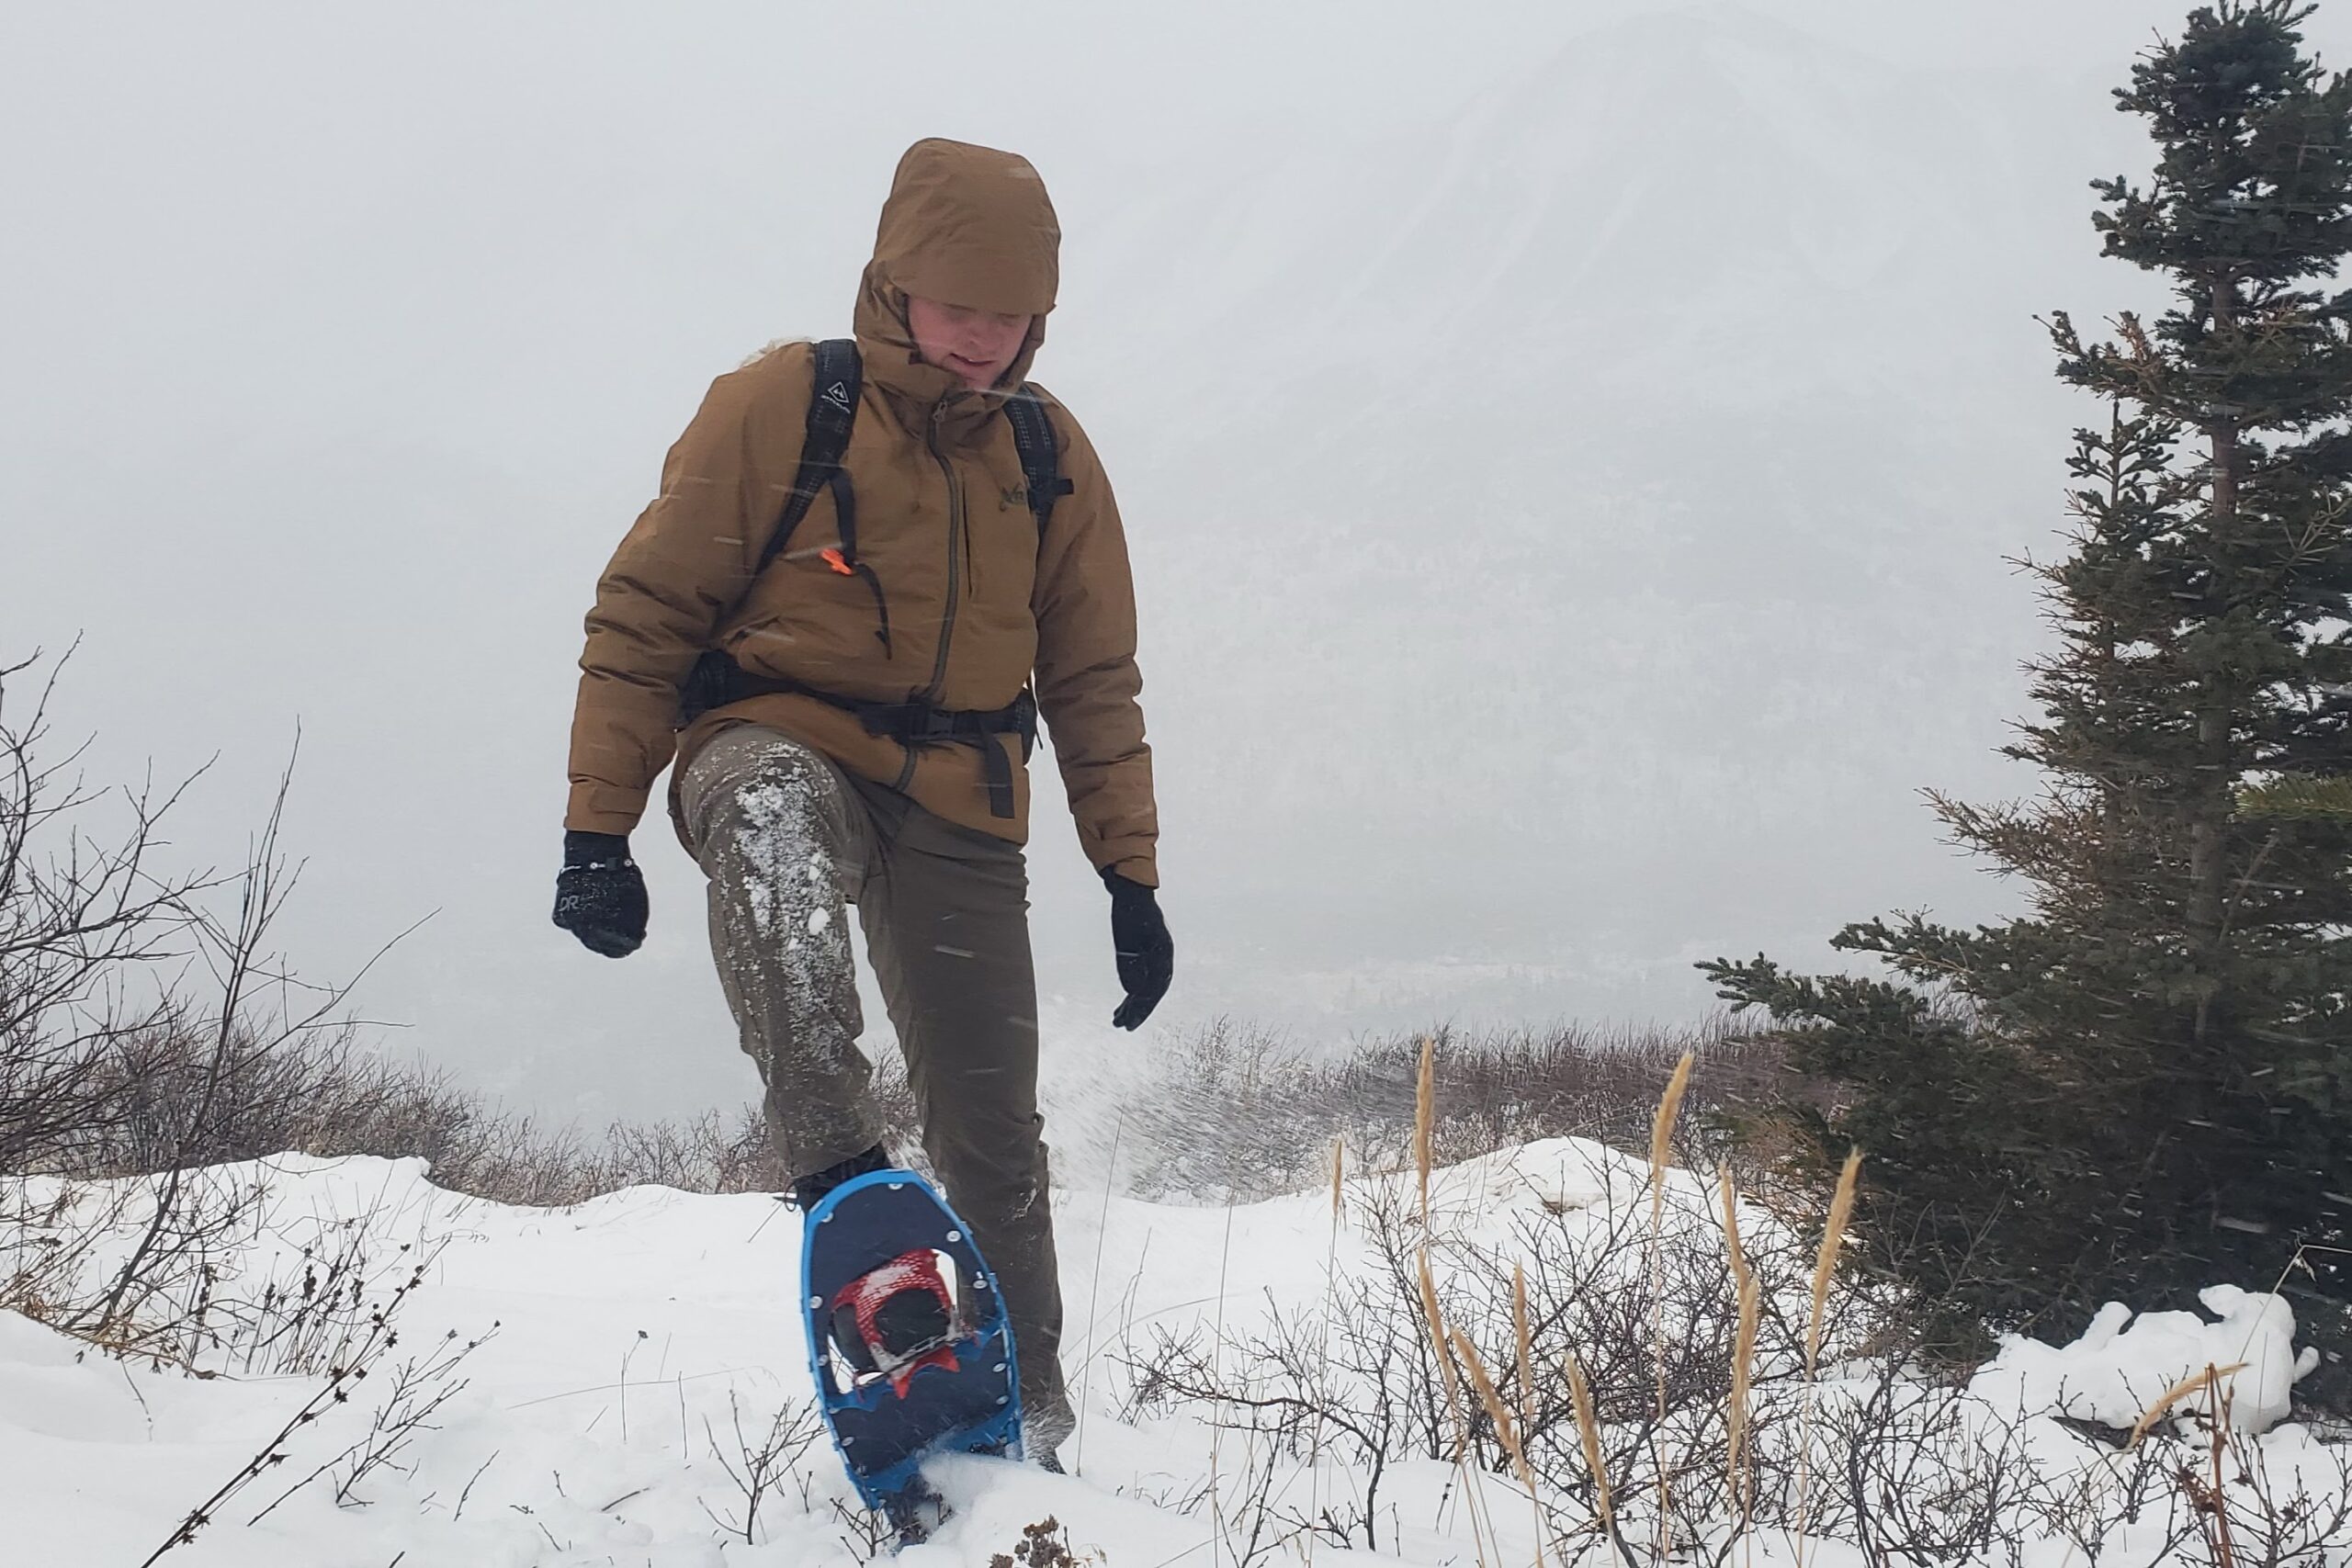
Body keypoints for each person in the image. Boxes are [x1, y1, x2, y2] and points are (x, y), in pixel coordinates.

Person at [549, 138, 1173, 1462]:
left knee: (992, 1123)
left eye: (1011, 317)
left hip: (959, 791)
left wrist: (1130, 876)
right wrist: (595, 829)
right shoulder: (789, 402)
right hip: (775, 736)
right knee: (772, 819)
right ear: (895, 286)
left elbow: (1093, 675)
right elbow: (646, 611)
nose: (984, 342)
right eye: (962, 310)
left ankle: (1030, 1414)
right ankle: (845, 1184)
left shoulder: (1048, 455)